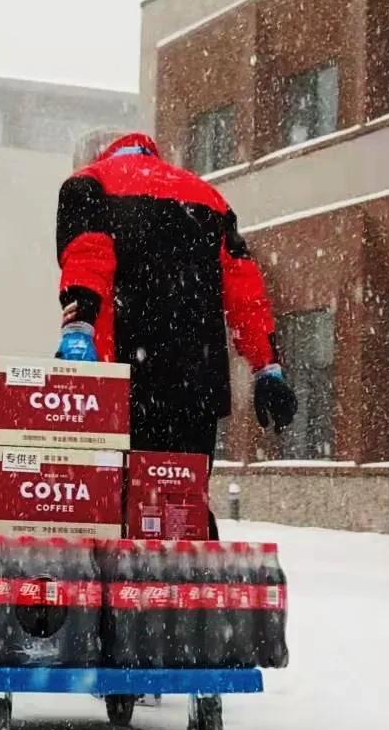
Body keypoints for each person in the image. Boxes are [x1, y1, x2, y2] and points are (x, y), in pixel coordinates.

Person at [55, 129, 297, 537]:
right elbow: (245, 292)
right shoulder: (208, 197)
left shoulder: (87, 185)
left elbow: (88, 256)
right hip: (196, 387)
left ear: (92, 156)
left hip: (122, 382)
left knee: (117, 509)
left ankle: (124, 594)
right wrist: (266, 367)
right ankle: (193, 589)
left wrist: (79, 327)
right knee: (184, 504)